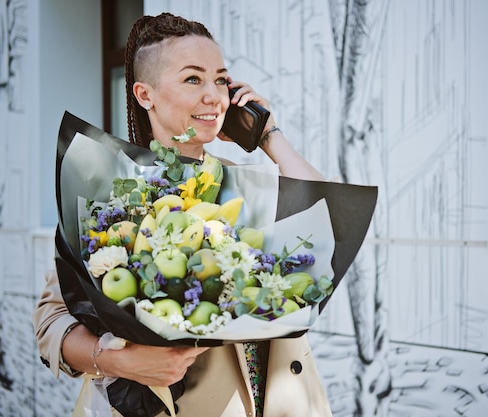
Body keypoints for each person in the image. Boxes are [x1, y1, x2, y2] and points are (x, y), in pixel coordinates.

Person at [33, 12, 332, 417]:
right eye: (193, 79)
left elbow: (327, 216)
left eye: (221, 79)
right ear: (144, 94)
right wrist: (118, 360)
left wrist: (268, 136)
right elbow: (52, 323)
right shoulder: (110, 196)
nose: (215, 96)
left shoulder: (247, 184)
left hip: (280, 401)